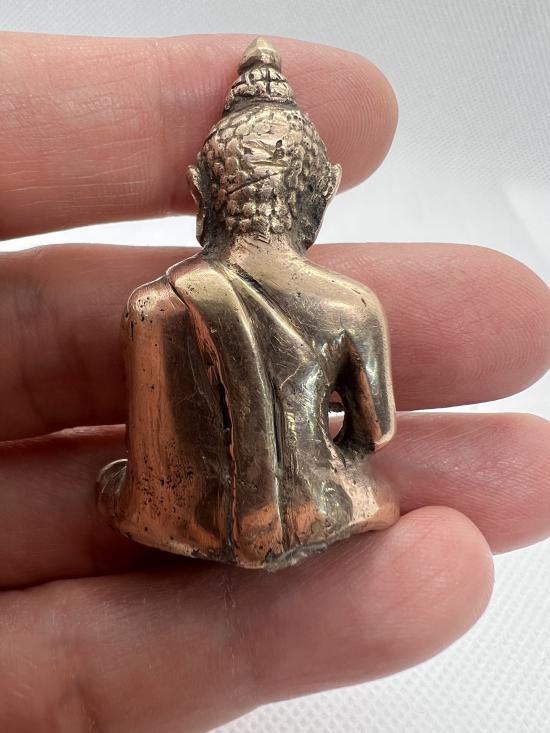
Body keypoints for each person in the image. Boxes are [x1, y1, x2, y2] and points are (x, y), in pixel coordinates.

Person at [0, 31, 549, 732]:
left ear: (202, 192)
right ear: (321, 190)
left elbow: (152, 475)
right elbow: (373, 436)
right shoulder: (350, 306)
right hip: (323, 507)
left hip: (182, 522)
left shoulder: (153, 308)